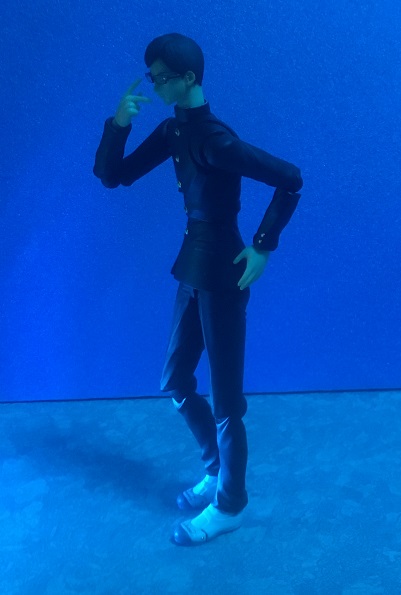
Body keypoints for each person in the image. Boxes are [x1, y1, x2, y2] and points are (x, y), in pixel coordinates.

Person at [93, 33, 303, 546]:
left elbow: (290, 178)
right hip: (192, 265)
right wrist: (119, 124)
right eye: (151, 77)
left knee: (227, 398)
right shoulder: (173, 130)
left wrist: (262, 245)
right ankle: (216, 469)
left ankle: (231, 504)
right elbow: (113, 175)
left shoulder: (215, 140)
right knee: (175, 379)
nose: (155, 86)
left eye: (162, 78)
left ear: (188, 78)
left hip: (225, 272)